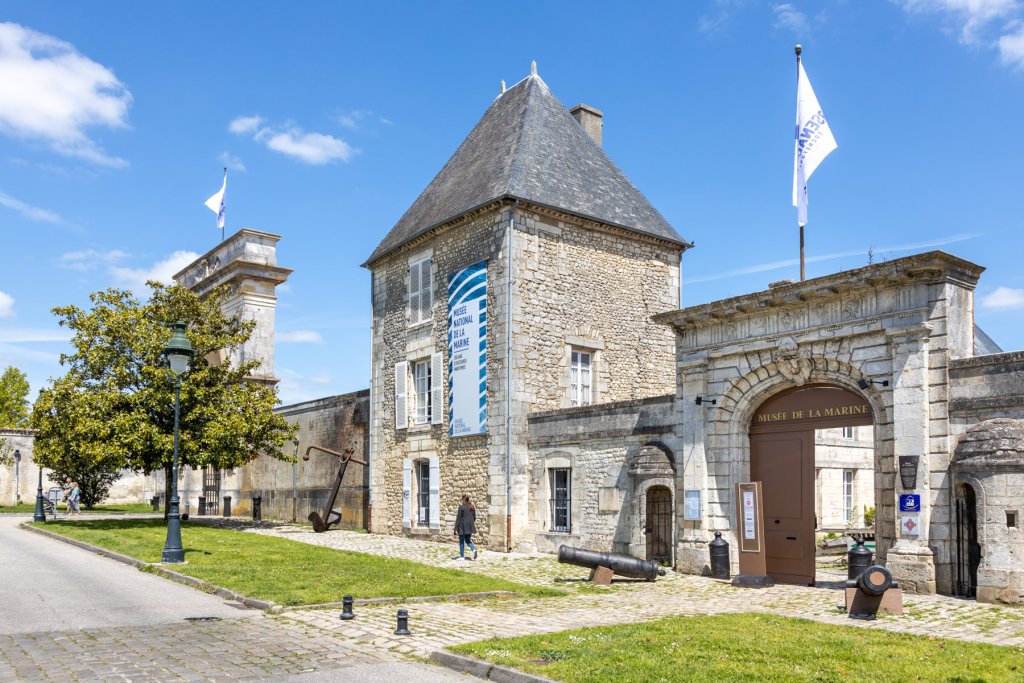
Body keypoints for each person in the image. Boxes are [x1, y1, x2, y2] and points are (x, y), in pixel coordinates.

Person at [453, 494, 477, 560]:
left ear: (463, 500)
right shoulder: (472, 507)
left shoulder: (461, 507)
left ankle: (462, 556)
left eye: (461, 499)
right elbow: (474, 517)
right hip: (469, 527)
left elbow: (458, 519)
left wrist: (456, 529)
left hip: (462, 526)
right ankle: (474, 550)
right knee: (468, 540)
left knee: (461, 541)